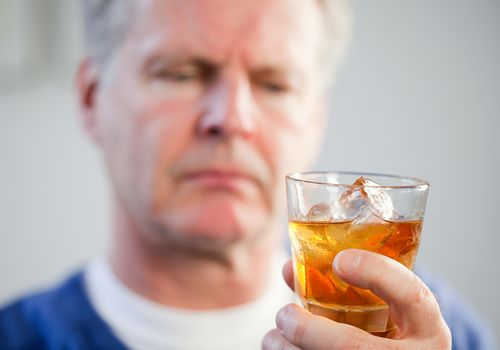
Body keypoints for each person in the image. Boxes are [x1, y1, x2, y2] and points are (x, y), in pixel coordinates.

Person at [0, 0, 495, 349]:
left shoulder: (436, 332)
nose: (233, 118)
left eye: (274, 84)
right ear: (91, 98)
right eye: (181, 73)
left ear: (315, 118)